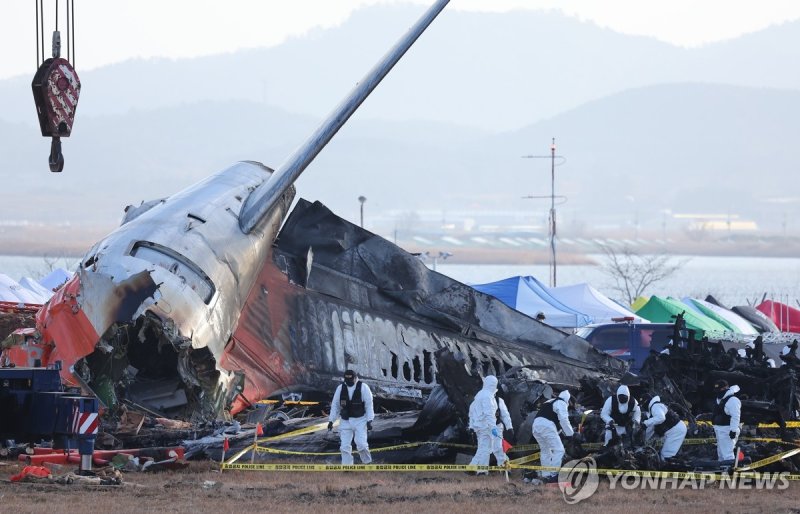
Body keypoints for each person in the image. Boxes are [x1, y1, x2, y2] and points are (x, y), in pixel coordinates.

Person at [328, 369, 374, 465]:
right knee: (344, 446)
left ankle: (367, 463)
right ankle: (347, 467)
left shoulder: (364, 388)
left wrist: (370, 420)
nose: (349, 382)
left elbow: (369, 405)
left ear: (356, 378)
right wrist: (331, 421)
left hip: (360, 420)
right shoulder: (340, 389)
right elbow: (335, 405)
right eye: (347, 380)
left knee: (361, 444)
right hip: (345, 421)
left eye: (351, 380)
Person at [531, 390, 576, 482]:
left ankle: (546, 475)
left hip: (536, 426)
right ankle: (554, 474)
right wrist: (570, 434)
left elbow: (552, 418)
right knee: (559, 450)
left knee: (545, 450)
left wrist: (561, 432)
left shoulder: (549, 401)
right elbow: (564, 420)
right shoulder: (561, 402)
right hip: (546, 426)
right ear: (567, 400)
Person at [468, 375, 508, 474]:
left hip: (480, 427)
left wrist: (471, 426)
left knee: (483, 448)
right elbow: (489, 414)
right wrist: (493, 427)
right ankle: (499, 469)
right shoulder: (488, 396)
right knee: (495, 448)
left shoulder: (479, 395)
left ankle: (475, 469)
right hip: (488, 427)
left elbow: (472, 412)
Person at [642, 395, 686, 459]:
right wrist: (644, 441)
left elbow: (661, 418)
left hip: (675, 430)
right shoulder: (654, 411)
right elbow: (651, 429)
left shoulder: (655, 406)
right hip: (673, 430)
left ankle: (670, 468)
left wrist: (645, 423)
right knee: (663, 453)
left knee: (666, 455)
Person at [712, 380, 741, 461]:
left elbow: (735, 416)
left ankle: (730, 473)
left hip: (727, 430)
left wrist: (733, 430)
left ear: (726, 388)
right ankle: (722, 472)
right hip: (720, 429)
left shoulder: (733, 400)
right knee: (721, 454)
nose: (718, 392)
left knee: (728, 455)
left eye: (720, 389)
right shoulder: (720, 399)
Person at [494, 385, 514, 464]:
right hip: (484, 428)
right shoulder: (480, 400)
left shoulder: (499, 401)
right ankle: (481, 471)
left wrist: (509, 428)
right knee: (483, 449)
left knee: (498, 448)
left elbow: (505, 415)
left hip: (496, 427)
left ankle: (505, 468)